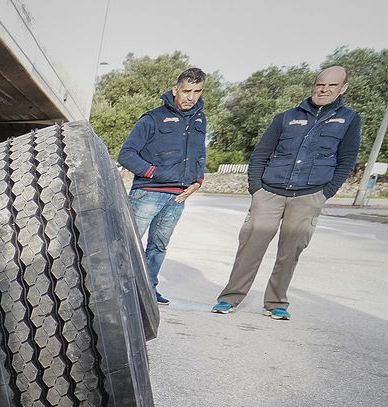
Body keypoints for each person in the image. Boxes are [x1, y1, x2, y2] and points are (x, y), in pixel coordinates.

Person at [212, 66, 361, 320]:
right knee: (249, 247)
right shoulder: (286, 117)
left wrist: (325, 193)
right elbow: (260, 154)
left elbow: (346, 160)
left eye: (332, 86)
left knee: (290, 252)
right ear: (314, 85)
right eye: (320, 84)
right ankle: (230, 298)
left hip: (309, 194)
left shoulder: (349, 119)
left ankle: (276, 302)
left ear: (343, 88)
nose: (324, 90)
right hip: (270, 191)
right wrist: (256, 190)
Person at [118, 67, 209, 306]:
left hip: (177, 197)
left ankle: (148, 291)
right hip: (148, 193)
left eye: (197, 91)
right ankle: (119, 291)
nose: (191, 97)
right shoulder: (152, 118)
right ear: (175, 89)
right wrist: (153, 173)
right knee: (129, 242)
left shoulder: (200, 119)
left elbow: (200, 153)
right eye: (187, 91)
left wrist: (198, 181)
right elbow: (126, 154)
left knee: (158, 246)